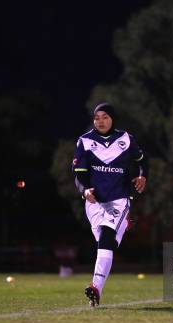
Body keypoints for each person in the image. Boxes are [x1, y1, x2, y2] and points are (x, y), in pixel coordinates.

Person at [72, 103, 149, 307]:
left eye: (105, 117)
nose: (100, 121)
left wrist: (142, 176)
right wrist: (84, 190)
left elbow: (142, 161)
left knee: (106, 236)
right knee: (107, 243)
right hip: (95, 203)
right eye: (97, 117)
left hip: (119, 198)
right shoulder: (85, 141)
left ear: (112, 119)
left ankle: (95, 287)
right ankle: (123, 225)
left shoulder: (126, 139)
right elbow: (79, 175)